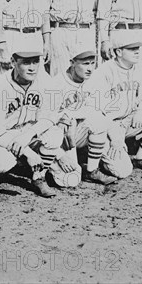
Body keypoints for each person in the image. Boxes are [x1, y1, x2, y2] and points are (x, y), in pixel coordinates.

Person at [0, 39, 63, 199]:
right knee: (4, 163)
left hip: (25, 130)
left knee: (55, 136)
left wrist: (28, 135)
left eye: (35, 61)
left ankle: (38, 177)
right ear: (13, 61)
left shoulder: (44, 80)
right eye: (26, 62)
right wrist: (28, 152)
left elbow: (50, 116)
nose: (32, 68)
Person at [83, 36, 142, 173]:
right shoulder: (104, 71)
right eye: (132, 49)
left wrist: (141, 112)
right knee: (122, 171)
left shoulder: (140, 68)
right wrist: (115, 137)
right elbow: (97, 112)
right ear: (118, 52)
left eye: (138, 49)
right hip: (109, 126)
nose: (137, 52)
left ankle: (141, 158)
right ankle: (97, 159)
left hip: (129, 120)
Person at [48, 46, 119, 187]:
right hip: (58, 136)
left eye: (93, 63)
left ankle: (91, 170)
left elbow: (97, 110)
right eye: (85, 63)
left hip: (77, 131)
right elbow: (46, 118)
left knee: (121, 170)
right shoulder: (56, 83)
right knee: (70, 181)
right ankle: (50, 164)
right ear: (72, 62)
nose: (90, 68)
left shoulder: (95, 81)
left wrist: (70, 117)